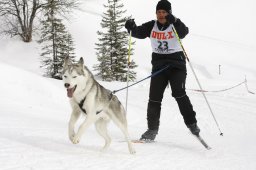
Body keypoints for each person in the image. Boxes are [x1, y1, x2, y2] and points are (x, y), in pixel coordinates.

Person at [125, 0, 200, 141]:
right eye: (159, 12)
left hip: (176, 66)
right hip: (159, 66)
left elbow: (184, 32)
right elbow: (138, 33)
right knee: (154, 98)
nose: (161, 15)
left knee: (178, 93)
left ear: (169, 13)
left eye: (164, 12)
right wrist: (130, 27)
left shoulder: (175, 24)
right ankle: (152, 130)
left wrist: (175, 21)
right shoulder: (151, 25)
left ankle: (192, 124)